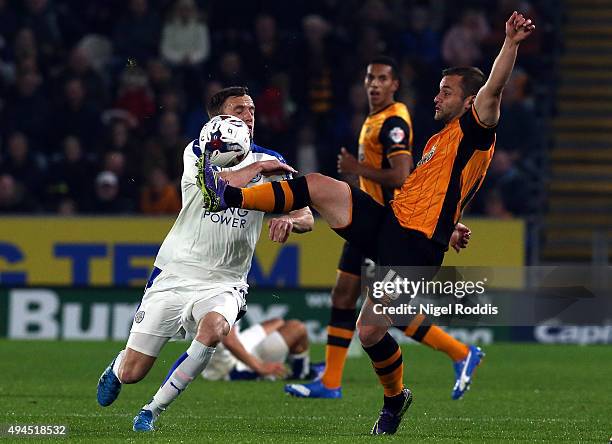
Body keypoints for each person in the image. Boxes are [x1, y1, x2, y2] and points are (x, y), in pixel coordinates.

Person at [197, 13, 535, 435]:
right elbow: (438, 191)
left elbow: (495, 87)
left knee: (371, 331)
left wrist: (510, 42)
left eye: (446, 92)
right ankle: (233, 195)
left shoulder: (476, 127)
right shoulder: (437, 139)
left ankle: (395, 401)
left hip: (417, 248)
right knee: (319, 185)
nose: (436, 97)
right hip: (393, 222)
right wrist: (452, 222)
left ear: (470, 101)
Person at [96, 86, 314, 432]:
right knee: (133, 373)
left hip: (225, 282)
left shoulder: (271, 160)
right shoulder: (198, 152)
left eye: (252, 110)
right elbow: (218, 191)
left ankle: (151, 411)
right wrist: (260, 169)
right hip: (175, 273)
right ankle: (117, 366)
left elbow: (307, 215)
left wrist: (290, 219)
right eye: (239, 110)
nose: (249, 116)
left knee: (214, 329)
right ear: (218, 121)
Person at [284, 56, 478, 401]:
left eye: (382, 78)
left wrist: (357, 168)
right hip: (373, 222)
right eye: (369, 77)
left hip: (388, 226)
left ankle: (460, 352)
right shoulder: (375, 120)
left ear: (394, 84)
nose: (374, 84)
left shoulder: (394, 123)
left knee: (383, 311)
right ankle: (330, 381)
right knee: (348, 297)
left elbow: (403, 176)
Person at [202, 317, 320, 382]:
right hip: (229, 366)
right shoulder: (222, 291)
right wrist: (260, 366)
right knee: (297, 328)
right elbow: (229, 341)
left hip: (234, 345)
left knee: (278, 322)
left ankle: (297, 364)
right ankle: (301, 374)